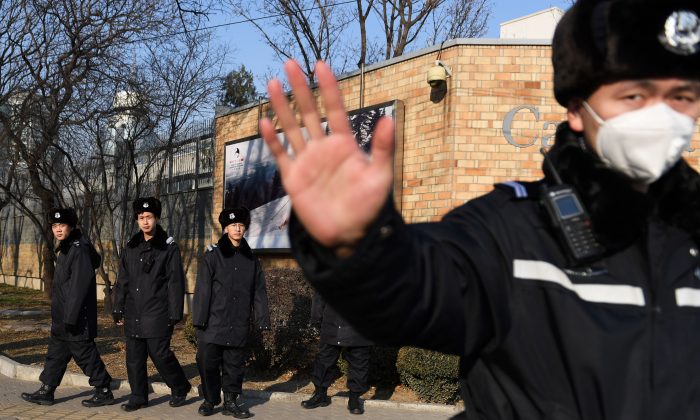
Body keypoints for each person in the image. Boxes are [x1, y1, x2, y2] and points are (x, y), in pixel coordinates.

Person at [259, 0, 700, 418]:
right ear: (577, 109)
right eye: (634, 97)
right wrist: (358, 245)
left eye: (681, 96)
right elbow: (414, 291)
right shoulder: (509, 230)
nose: (662, 117)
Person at [21, 208, 114, 407]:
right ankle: (47, 390)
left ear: (71, 226)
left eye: (62, 225)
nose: (58, 230)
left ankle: (104, 390)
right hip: (63, 316)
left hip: (75, 318)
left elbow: (78, 288)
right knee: (55, 354)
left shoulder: (78, 250)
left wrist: (70, 318)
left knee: (85, 354)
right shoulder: (66, 248)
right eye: (54, 226)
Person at [113, 197, 192, 412]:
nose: (145, 222)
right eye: (141, 218)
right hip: (133, 311)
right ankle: (138, 396)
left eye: (149, 217)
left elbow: (175, 283)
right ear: (137, 220)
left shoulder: (168, 248)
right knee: (134, 357)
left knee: (160, 354)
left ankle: (179, 387)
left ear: (156, 218)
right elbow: (123, 280)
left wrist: (175, 314)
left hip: (157, 311)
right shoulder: (131, 246)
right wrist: (118, 307)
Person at [192, 207, 271, 418]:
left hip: (238, 322)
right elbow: (202, 290)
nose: (237, 229)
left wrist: (262, 319)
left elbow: (259, 291)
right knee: (206, 362)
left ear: (244, 228)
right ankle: (210, 399)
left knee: (234, 366)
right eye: (233, 225)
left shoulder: (252, 260)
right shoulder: (213, 256)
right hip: (213, 323)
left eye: (241, 225)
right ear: (226, 228)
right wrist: (199, 321)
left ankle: (230, 402)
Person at [302, 292, 372, 415]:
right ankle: (320, 395)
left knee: (359, 363)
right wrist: (316, 318)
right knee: (324, 361)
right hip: (332, 322)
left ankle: (354, 400)